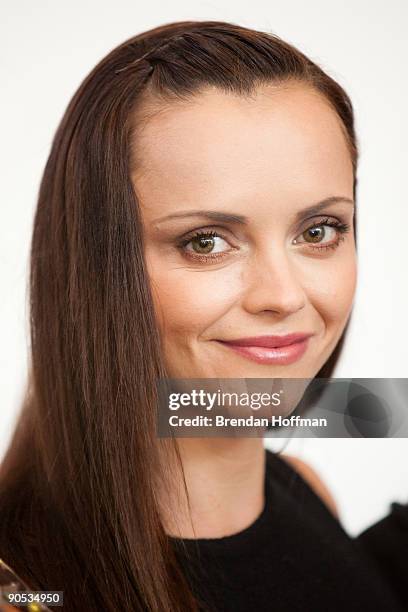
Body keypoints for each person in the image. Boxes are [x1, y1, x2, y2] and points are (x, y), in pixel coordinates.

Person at [0, 19, 406, 612]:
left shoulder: (306, 494)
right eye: (207, 242)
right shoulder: (25, 592)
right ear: (92, 265)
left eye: (319, 231)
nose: (283, 295)